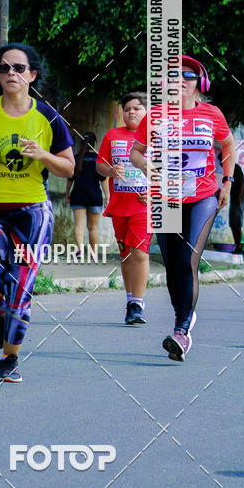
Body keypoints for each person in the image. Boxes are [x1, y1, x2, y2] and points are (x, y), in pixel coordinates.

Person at [0, 43, 74, 382]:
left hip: (32, 214)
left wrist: (44, 156)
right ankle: (0, 313)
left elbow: (68, 168)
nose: (11, 74)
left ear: (32, 75)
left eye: (19, 68)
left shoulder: (48, 117)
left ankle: (10, 358)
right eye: (4, 68)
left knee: (20, 286)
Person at [130, 55, 236, 361]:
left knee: (189, 256)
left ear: (200, 83)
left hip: (203, 196)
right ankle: (184, 314)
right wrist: (148, 167)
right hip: (165, 197)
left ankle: (182, 328)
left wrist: (226, 181)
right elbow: (137, 152)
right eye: (171, 76)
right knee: (173, 264)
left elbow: (227, 145)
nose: (177, 81)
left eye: (185, 76)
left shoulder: (212, 114)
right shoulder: (155, 116)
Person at [97, 93, 151, 325]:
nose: (131, 112)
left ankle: (138, 304)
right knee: (126, 255)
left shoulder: (157, 138)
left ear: (147, 112)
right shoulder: (112, 135)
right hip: (119, 207)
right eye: (127, 108)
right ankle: (130, 301)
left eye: (137, 108)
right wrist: (110, 172)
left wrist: (155, 193)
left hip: (144, 208)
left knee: (139, 253)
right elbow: (100, 165)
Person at [66, 132, 108, 254]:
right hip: (95, 197)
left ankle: (80, 250)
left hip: (78, 196)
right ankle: (92, 253)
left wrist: (67, 193)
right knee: (93, 227)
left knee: (79, 225)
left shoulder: (76, 158)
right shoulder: (98, 159)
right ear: (95, 143)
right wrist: (107, 197)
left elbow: (70, 179)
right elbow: (103, 180)